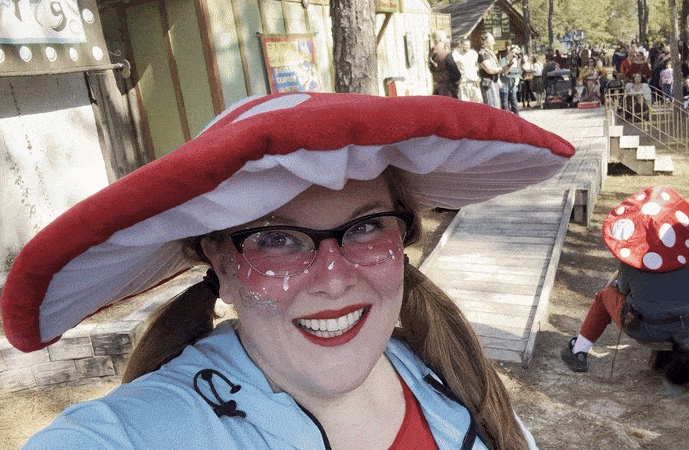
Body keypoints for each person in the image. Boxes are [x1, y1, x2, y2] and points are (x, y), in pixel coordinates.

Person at [4, 93, 577, 449]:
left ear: (403, 238)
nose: (333, 277)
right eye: (277, 239)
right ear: (222, 265)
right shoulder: (139, 432)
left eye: (366, 226)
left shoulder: (448, 374)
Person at [560, 185, 689, 385]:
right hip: (683, 324)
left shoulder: (635, 258)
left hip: (645, 328)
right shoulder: (681, 255)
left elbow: (622, 289)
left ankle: (578, 351)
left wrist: (617, 279)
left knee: (604, 297)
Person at [429, 30, 459, 98]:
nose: (446, 39)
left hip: (438, 88)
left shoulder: (431, 53)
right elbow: (456, 74)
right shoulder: (444, 54)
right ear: (440, 39)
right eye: (445, 37)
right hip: (447, 90)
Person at [452, 38, 483, 103]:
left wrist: (478, 77)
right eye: (465, 45)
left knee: (478, 103)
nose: (467, 47)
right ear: (461, 45)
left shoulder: (473, 53)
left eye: (468, 45)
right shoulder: (457, 54)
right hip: (464, 83)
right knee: (465, 104)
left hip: (474, 83)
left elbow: (477, 67)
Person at [478, 33, 503, 108]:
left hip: (494, 82)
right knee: (491, 106)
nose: (494, 43)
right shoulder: (482, 53)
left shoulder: (490, 53)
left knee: (496, 105)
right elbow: (490, 70)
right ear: (485, 43)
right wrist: (501, 69)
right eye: (492, 41)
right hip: (487, 84)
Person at [499, 45, 522, 114]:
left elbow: (519, 71)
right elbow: (503, 72)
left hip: (513, 83)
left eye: (516, 53)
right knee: (504, 102)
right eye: (512, 52)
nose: (514, 55)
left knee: (514, 101)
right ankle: (505, 117)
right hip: (504, 82)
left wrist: (517, 79)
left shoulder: (517, 61)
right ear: (509, 52)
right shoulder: (503, 60)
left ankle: (516, 116)